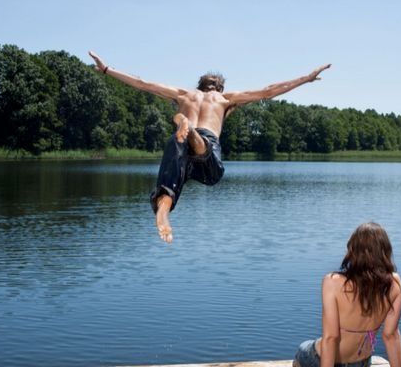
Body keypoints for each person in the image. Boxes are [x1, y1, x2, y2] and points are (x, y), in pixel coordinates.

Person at [88, 51, 330, 243]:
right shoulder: (224, 99)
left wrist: (107, 69)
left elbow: (142, 84)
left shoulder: (183, 94)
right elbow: (268, 91)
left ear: (199, 85)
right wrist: (305, 79)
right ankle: (193, 134)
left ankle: (163, 208)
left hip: (179, 142)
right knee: (211, 169)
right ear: (219, 88)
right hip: (206, 143)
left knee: (171, 182)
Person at [296, 222, 401, 367]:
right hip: (360, 366)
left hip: (320, 363)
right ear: (385, 251)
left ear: (352, 249)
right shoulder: (396, 283)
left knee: (304, 346)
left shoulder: (332, 281)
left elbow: (331, 337)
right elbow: (391, 336)